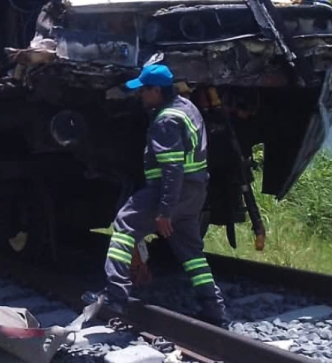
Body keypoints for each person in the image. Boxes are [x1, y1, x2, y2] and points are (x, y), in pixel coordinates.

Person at [82, 63, 228, 327]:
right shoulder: (188, 109)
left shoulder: (166, 121)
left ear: (156, 91)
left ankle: (115, 296)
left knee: (124, 227)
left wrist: (164, 210)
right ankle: (214, 308)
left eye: (143, 91)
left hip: (169, 191)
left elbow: (172, 168)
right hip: (195, 192)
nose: (141, 96)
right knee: (192, 253)